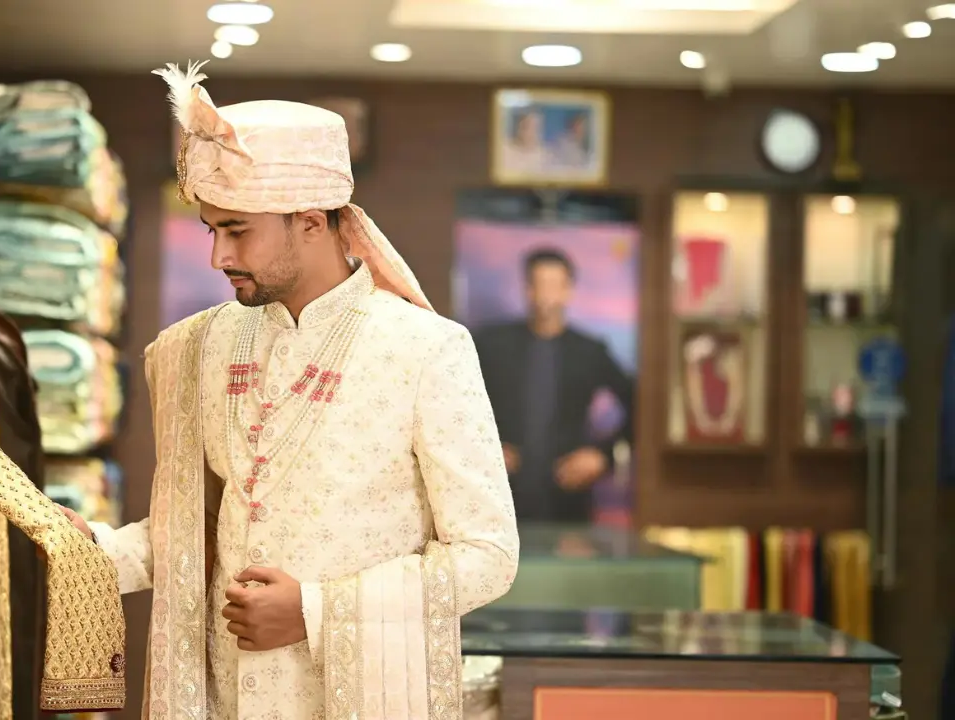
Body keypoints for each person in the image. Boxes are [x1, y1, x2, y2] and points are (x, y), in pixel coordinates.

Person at [58, 60, 519, 719]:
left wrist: (313, 611)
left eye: (238, 230)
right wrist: (96, 554)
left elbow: (488, 557)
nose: (218, 257)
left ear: (311, 221)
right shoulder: (197, 346)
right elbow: (198, 531)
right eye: (212, 229)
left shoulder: (426, 349)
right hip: (225, 697)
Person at [473, 248, 634, 524]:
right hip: (498, 492)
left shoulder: (589, 351)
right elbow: (455, 403)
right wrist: (483, 445)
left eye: (555, 285)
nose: (546, 294)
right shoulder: (491, 345)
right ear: (527, 289)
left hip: (568, 495)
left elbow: (639, 403)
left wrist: (602, 455)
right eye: (538, 284)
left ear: (569, 290)